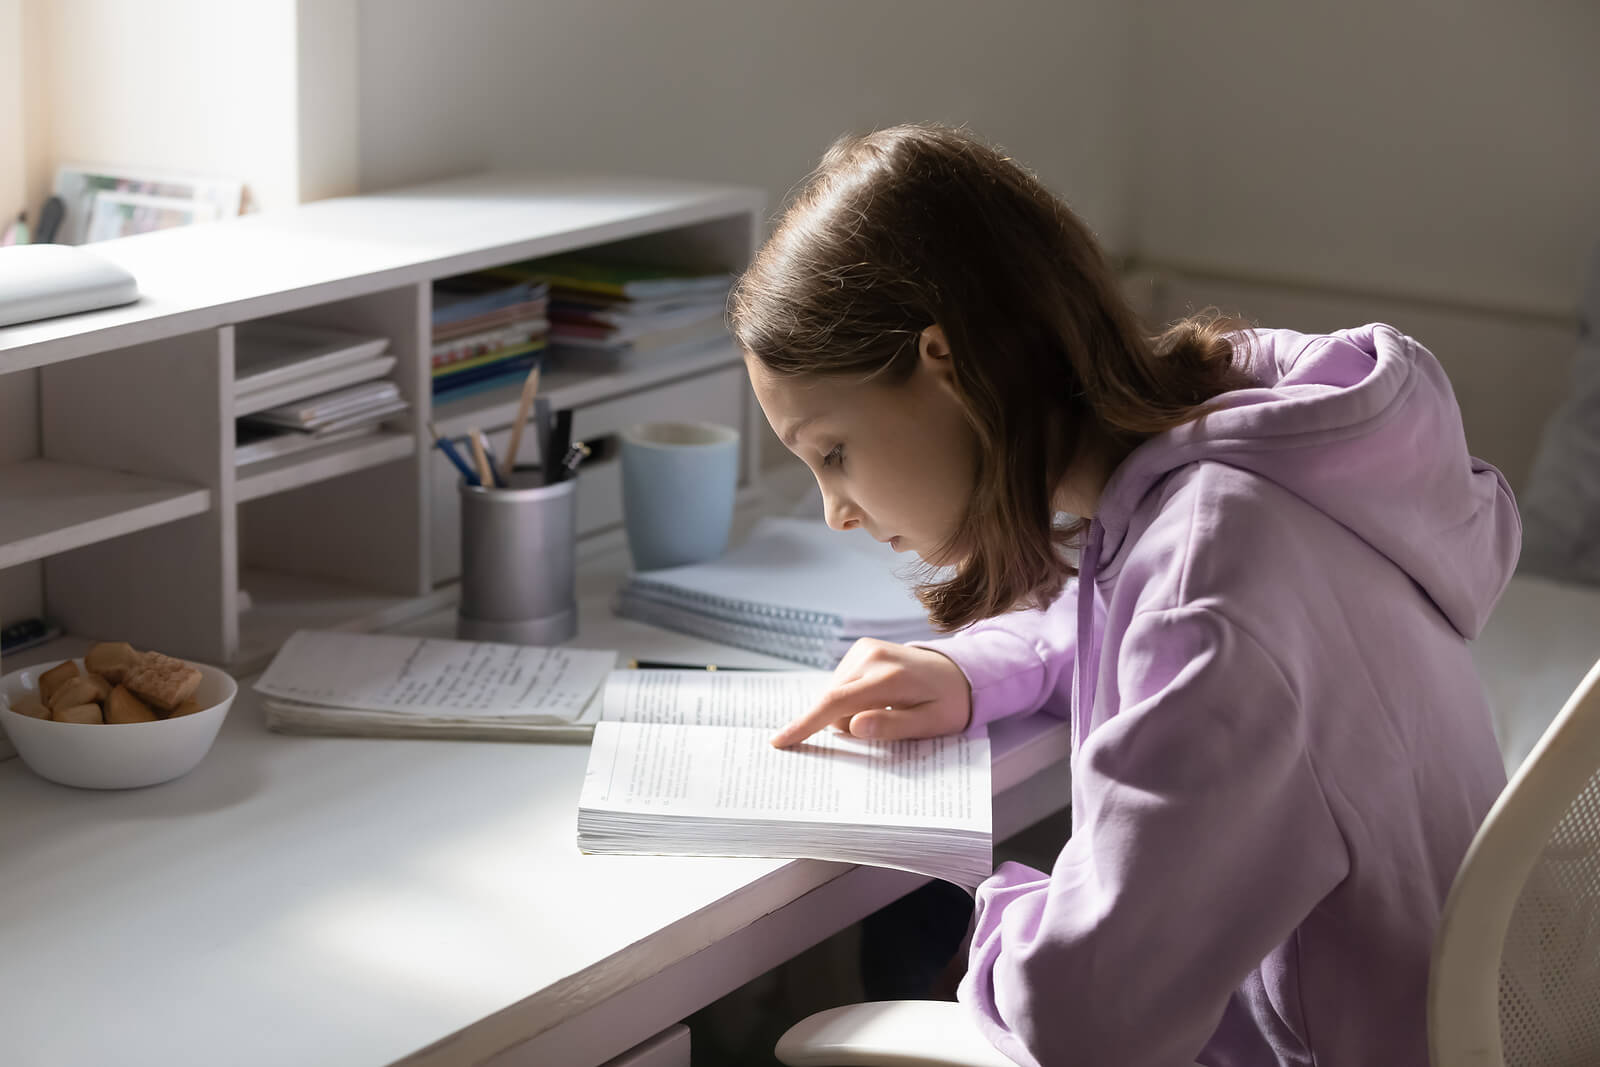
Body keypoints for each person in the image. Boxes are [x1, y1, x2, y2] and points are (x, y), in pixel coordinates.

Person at [730, 123, 1518, 1066]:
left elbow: (1086, 1022)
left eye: (832, 451)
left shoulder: (1210, 590)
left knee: (893, 961)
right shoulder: (1254, 468)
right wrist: (974, 669)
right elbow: (1153, 616)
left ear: (945, 362)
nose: (835, 510)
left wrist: (1001, 916)